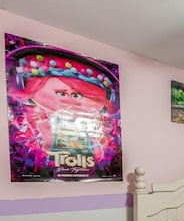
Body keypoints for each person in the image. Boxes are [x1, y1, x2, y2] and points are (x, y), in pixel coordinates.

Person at [6, 48, 120, 178]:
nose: (68, 100)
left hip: (84, 159)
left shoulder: (85, 124)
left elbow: (94, 140)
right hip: (61, 159)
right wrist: (49, 138)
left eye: (76, 95)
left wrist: (96, 147)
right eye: (61, 93)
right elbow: (45, 132)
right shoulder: (50, 121)